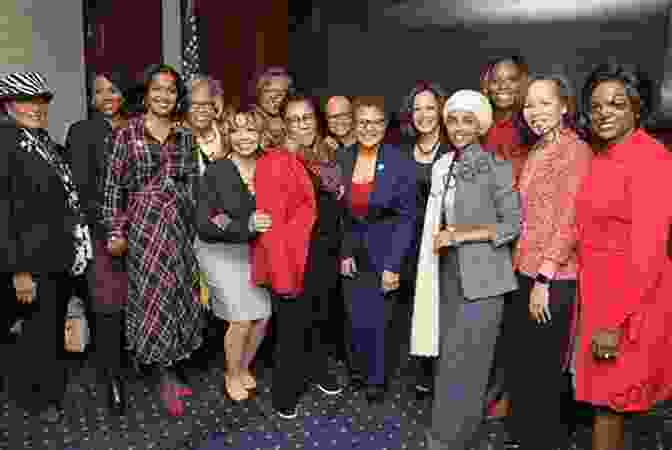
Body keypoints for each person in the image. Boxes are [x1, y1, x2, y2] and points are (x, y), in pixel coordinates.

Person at [410, 89, 520, 450]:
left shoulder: (496, 166)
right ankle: (443, 433)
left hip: (485, 281)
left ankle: (450, 439)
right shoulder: (445, 165)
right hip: (449, 275)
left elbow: (512, 225)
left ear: (480, 126)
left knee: (470, 365)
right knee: (450, 362)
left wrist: (459, 234)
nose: (458, 127)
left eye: (467, 120)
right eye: (453, 120)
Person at [574, 64, 672, 450]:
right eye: (596, 105)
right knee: (605, 404)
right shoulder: (604, 155)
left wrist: (613, 322)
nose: (604, 113)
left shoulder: (651, 159)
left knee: (610, 404)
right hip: (600, 295)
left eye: (616, 104)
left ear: (637, 107)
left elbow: (648, 252)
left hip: (629, 303)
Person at [103, 64, 204, 416]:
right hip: (144, 228)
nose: (165, 95)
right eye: (158, 89)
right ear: (145, 93)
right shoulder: (125, 134)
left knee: (178, 295)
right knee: (153, 300)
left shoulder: (185, 135)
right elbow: (113, 188)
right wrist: (115, 231)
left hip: (179, 226)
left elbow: (193, 184)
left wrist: (192, 225)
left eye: (172, 90)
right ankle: (163, 377)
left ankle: (171, 366)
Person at [504, 74, 592, 450]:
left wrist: (544, 278)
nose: (534, 111)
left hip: (553, 277)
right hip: (525, 268)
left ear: (563, 106)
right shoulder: (538, 150)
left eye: (544, 102)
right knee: (525, 361)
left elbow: (570, 221)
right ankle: (527, 434)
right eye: (529, 104)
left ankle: (544, 438)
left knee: (544, 367)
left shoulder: (576, 152)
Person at [0, 72, 93, 423]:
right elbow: (4, 212)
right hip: (30, 259)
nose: (37, 107)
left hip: (55, 253)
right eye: (27, 100)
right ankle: (37, 400)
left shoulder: (41, 140)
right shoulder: (6, 142)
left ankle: (48, 392)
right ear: (8, 105)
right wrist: (19, 271)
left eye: (42, 100)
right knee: (37, 332)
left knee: (50, 326)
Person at [339, 96, 417, 404]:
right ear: (354, 125)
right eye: (362, 122)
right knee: (354, 316)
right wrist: (344, 252)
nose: (368, 128)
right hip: (353, 251)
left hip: (386, 251)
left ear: (385, 126)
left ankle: (376, 379)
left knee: (381, 320)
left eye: (375, 122)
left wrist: (394, 265)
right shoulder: (343, 158)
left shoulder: (400, 161)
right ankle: (357, 372)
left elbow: (407, 218)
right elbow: (339, 213)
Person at [195, 107, 272, 402]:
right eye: (237, 130)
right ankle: (231, 372)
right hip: (218, 250)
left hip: (254, 251)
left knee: (263, 317)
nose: (244, 137)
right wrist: (246, 225)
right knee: (240, 318)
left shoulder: (268, 166)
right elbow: (208, 221)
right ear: (228, 135)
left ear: (261, 134)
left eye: (251, 130)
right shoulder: (217, 170)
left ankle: (244, 366)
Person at [65, 71, 130, 415]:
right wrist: (115, 228)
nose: (107, 96)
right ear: (92, 98)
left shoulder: (138, 127)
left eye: (113, 88)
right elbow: (81, 191)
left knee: (138, 304)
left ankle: (141, 365)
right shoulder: (82, 132)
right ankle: (112, 380)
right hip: (104, 233)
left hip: (145, 231)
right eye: (99, 91)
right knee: (107, 308)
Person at [479, 55, 530, 420]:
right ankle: (485, 387)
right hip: (483, 234)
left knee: (515, 320)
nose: (503, 87)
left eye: (511, 79)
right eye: (496, 80)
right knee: (488, 320)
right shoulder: (480, 124)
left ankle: (509, 393)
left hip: (521, 235)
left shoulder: (531, 124)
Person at [398, 81, 450, 395]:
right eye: (417, 108)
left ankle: (439, 374)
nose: (424, 114)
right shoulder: (402, 151)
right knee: (413, 308)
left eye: (430, 107)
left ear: (441, 110)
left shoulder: (452, 149)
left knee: (440, 307)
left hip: (441, 243)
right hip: (407, 242)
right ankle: (420, 372)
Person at [182, 75, 228, 175]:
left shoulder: (228, 132)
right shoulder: (177, 137)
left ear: (216, 105)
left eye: (206, 104)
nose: (201, 110)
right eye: (194, 104)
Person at [250, 66, 293, 148]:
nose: (274, 98)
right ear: (258, 92)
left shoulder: (292, 117)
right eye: (268, 91)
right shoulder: (248, 118)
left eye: (281, 92)